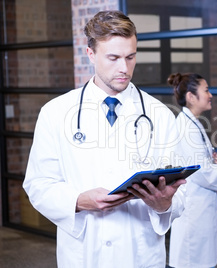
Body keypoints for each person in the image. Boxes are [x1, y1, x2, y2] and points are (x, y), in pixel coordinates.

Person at [23, 10, 186, 268]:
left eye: (130, 57)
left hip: (140, 255)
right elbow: (38, 184)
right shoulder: (55, 112)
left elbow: (180, 193)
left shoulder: (160, 115)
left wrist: (165, 203)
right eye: (113, 58)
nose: (124, 68)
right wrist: (78, 201)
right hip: (83, 254)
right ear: (91, 55)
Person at [167, 73, 217, 268]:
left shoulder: (193, 123)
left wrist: (215, 160)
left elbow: (199, 162)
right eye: (206, 90)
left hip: (201, 208)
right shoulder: (187, 127)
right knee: (194, 261)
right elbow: (201, 172)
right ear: (191, 97)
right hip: (194, 212)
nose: (210, 94)